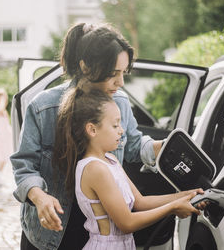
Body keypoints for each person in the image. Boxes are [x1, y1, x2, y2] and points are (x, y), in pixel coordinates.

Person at [10, 23, 166, 250]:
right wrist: (39, 197)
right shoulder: (43, 107)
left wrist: (162, 147)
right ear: (85, 66)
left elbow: (133, 145)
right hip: (51, 233)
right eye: (113, 74)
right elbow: (24, 166)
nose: (120, 82)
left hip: (100, 232)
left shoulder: (120, 102)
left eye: (123, 73)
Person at [52, 87, 205, 249]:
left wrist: (185, 196)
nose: (121, 130)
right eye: (115, 125)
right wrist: (173, 208)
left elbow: (140, 202)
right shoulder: (94, 169)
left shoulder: (110, 160)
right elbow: (126, 223)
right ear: (92, 129)